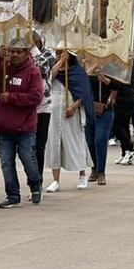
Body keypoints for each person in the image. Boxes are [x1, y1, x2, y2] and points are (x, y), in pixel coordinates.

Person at [0, 40, 44, 208]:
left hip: (25, 128)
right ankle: (13, 195)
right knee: (6, 163)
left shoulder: (33, 72)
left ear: (26, 53)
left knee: (28, 160)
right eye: (12, 51)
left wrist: (12, 98)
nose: (15, 54)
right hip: (3, 127)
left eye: (19, 51)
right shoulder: (3, 67)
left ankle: (35, 185)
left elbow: (36, 97)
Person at [44, 50, 93, 191]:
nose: (59, 55)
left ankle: (82, 175)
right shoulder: (55, 68)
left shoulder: (77, 71)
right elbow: (49, 78)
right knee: (55, 143)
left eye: (62, 53)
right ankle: (55, 180)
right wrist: (59, 62)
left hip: (71, 111)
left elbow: (84, 92)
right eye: (58, 53)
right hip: (54, 110)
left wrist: (74, 107)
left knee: (75, 141)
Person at [29, 33, 56, 178]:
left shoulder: (48, 53)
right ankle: (31, 178)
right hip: (25, 106)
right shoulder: (20, 54)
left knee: (39, 147)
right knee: (27, 148)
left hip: (43, 106)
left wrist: (33, 49)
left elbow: (42, 69)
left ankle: (37, 181)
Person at [111, 61, 134, 166]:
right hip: (126, 95)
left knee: (117, 125)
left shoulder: (125, 64)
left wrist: (112, 98)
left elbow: (118, 82)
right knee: (123, 125)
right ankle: (125, 152)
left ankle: (130, 149)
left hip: (125, 97)